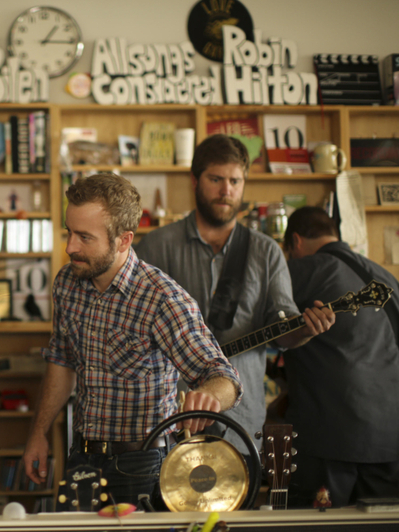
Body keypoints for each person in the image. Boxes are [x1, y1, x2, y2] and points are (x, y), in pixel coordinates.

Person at [21, 173, 243, 507]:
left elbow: (224, 377)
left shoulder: (162, 299)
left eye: (84, 237)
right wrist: (38, 432)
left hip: (143, 464)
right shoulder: (67, 282)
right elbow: (61, 360)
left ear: (124, 240)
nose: (70, 247)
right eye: (69, 231)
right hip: (82, 456)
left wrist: (208, 396)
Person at [135, 134, 336, 456]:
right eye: (216, 179)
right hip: (168, 418)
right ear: (195, 181)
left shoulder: (267, 251)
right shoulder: (154, 247)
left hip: (240, 422)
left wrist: (304, 330)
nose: (226, 190)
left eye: (235, 181)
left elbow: (280, 326)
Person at [282, 206, 399, 507]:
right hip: (389, 439)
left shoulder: (305, 268)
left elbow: (258, 316)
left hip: (329, 438)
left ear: (295, 242)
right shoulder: (386, 277)